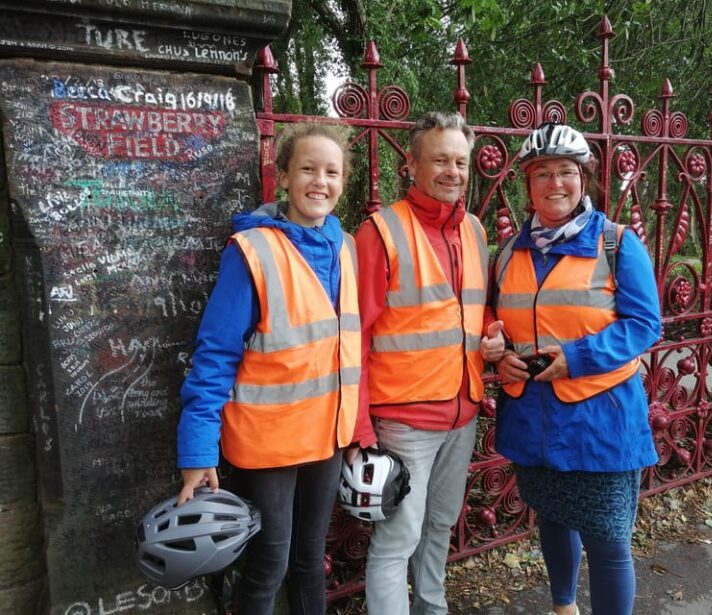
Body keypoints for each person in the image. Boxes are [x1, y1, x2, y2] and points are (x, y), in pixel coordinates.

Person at [175, 121, 360, 615]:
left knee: (310, 560)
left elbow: (349, 346)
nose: (320, 182)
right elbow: (215, 355)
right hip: (268, 442)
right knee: (269, 564)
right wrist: (197, 450)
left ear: (343, 181)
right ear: (284, 176)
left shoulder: (345, 247)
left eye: (332, 172)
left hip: (327, 436)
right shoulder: (253, 251)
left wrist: (356, 426)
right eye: (307, 169)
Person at [491, 123, 661, 615]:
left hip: (600, 420)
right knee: (552, 516)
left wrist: (576, 358)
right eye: (541, 173)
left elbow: (644, 325)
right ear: (528, 184)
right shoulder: (510, 252)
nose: (554, 183)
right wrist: (499, 351)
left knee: (607, 541)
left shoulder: (617, 244)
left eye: (565, 171)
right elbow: (495, 320)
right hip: (534, 417)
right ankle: (563, 607)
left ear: (584, 178)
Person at [350, 111, 505, 615]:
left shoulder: (474, 230)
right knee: (398, 539)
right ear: (412, 165)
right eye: (440, 160)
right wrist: (360, 428)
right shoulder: (381, 232)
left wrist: (491, 334)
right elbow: (355, 336)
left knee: (440, 525)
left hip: (463, 412)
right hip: (405, 421)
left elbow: (474, 311)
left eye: (460, 161)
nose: (452, 171)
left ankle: (432, 609)